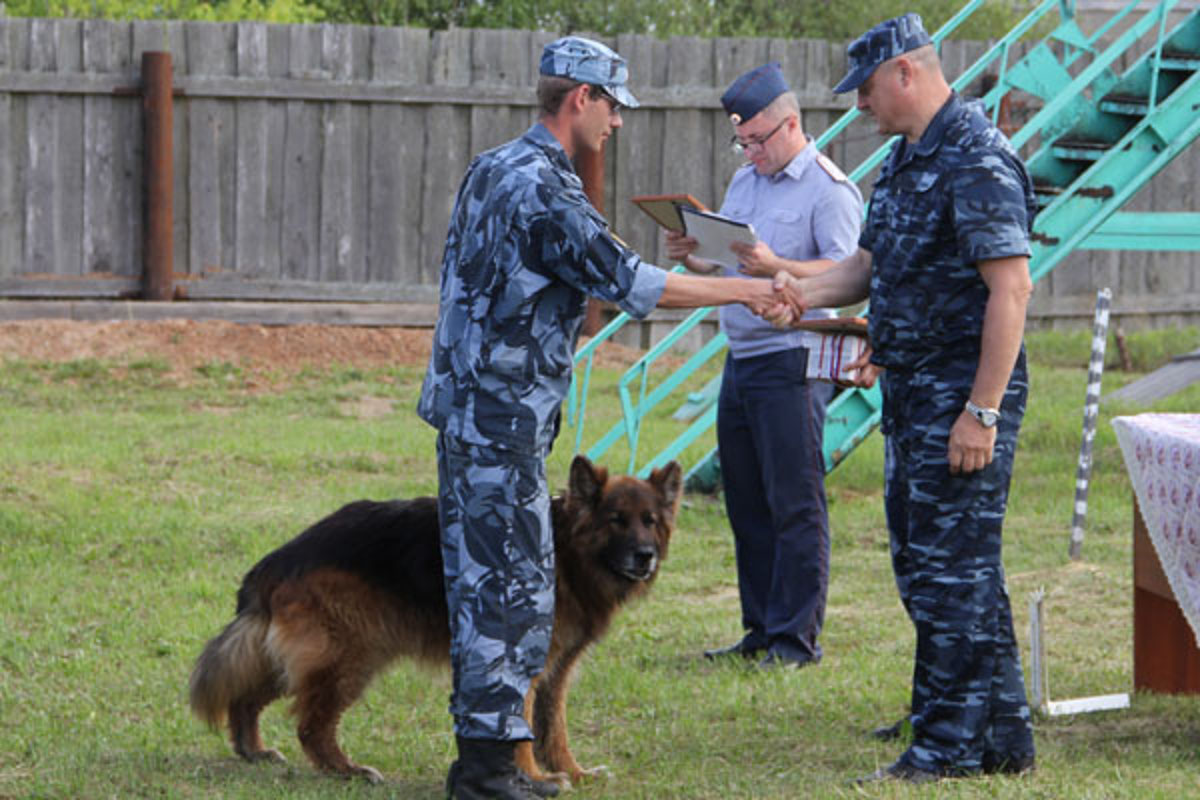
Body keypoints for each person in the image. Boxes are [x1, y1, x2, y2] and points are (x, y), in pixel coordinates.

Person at [417, 36, 785, 800]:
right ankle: (485, 774)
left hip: (473, 411)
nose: (617, 121)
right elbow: (631, 282)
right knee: (508, 589)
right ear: (580, 98)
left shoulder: (493, 167)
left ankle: (491, 760)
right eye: (613, 105)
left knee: (489, 580)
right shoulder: (545, 188)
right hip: (501, 420)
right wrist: (746, 291)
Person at [766, 13, 1037, 783]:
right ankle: (1003, 733)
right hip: (914, 392)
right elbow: (867, 267)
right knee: (940, 568)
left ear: (906, 74)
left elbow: (1010, 290)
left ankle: (945, 745)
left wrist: (980, 412)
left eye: (867, 91)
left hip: (961, 395)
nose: (861, 107)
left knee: (952, 573)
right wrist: (799, 290)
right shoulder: (910, 158)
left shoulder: (976, 158)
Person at [664, 63, 862, 670]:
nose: (748, 152)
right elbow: (729, 267)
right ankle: (759, 631)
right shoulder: (747, 181)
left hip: (794, 359)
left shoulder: (830, 191)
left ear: (791, 125)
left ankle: (795, 641)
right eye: (741, 142)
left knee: (793, 502)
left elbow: (849, 282)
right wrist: (691, 256)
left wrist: (778, 264)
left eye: (757, 140)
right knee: (746, 501)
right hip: (743, 357)